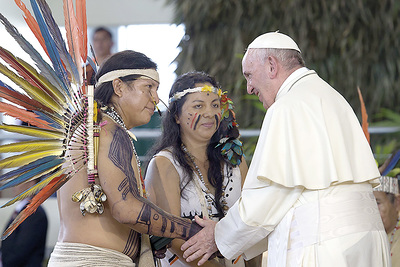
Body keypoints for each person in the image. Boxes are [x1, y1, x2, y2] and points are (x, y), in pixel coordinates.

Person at [181, 32, 391, 266]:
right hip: (367, 244)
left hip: (324, 249)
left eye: (249, 76)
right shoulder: (334, 97)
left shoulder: (286, 107)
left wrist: (219, 235)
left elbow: (268, 197)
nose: (249, 88)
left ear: (271, 65)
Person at [48, 50, 201, 266]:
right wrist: (191, 229)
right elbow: (126, 209)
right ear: (119, 87)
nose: (155, 99)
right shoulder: (109, 129)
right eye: (148, 88)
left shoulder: (97, 126)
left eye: (156, 90)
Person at [145, 72, 260, 267]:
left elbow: (253, 224)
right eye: (198, 106)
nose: (209, 113)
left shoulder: (235, 162)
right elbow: (172, 237)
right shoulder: (164, 163)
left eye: (215, 105)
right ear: (176, 116)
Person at [0, 179, 48, 267]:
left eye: (19, 181)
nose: (14, 186)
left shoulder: (34, 213)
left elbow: (21, 250)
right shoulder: (22, 210)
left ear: (32, 184)